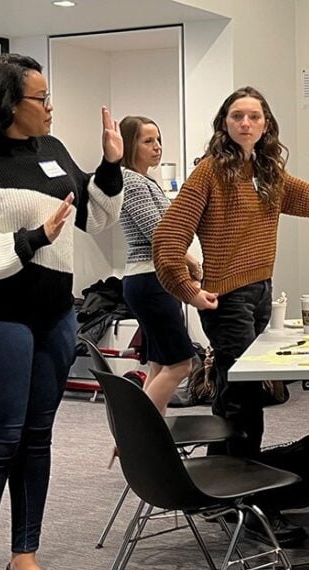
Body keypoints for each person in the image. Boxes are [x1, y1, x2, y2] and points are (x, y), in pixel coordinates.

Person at [153, 86, 309, 546]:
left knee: (236, 397)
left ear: (266, 124)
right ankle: (241, 506)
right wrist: (189, 290)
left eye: (254, 116)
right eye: (237, 116)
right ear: (224, 123)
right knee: (244, 403)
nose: (246, 124)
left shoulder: (268, 172)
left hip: (259, 294)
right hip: (228, 300)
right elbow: (168, 238)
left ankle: (218, 491)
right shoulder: (209, 172)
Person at [0, 53, 122, 570]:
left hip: (53, 314)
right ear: (7, 103)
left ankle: (25, 556)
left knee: (37, 438)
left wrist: (110, 166)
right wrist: (32, 238)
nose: (50, 108)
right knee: (0, 440)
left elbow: (93, 215)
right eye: (40, 99)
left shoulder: (53, 150)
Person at [118, 115, 200, 414]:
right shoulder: (132, 181)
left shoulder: (144, 180)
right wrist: (192, 264)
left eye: (159, 140)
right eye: (148, 141)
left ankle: (150, 441)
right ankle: (138, 436)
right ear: (130, 145)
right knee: (181, 365)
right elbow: (159, 233)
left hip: (151, 280)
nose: (157, 148)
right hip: (150, 280)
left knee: (158, 364)